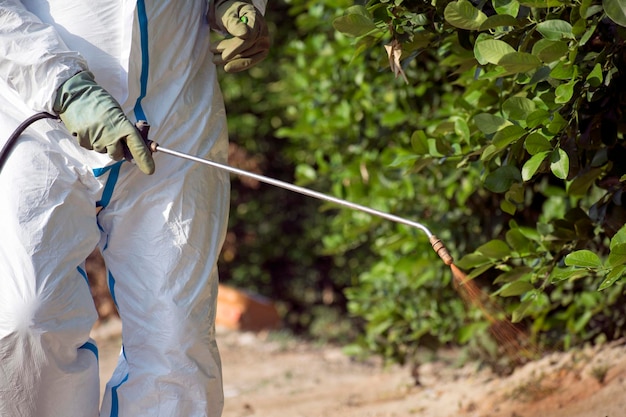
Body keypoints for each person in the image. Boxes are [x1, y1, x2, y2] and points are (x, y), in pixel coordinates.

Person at [0, 0, 269, 416]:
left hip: (175, 108)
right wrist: (63, 86)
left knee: (176, 337)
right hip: (34, 110)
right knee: (25, 317)